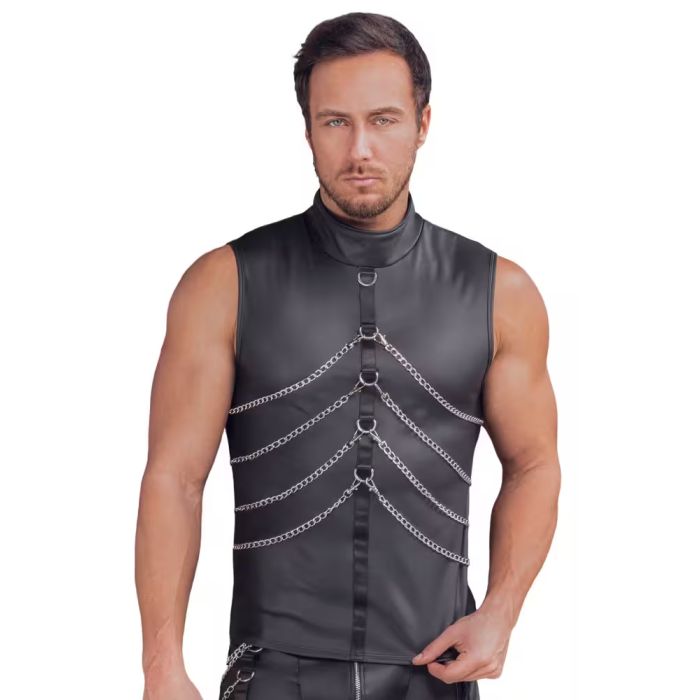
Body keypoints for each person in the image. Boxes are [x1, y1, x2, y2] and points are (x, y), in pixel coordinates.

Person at [135, 11, 561, 700]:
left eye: (384, 120)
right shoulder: (224, 284)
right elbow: (174, 478)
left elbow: (535, 463)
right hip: (274, 674)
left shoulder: (499, 293)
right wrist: (162, 666)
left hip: (433, 673)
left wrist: (502, 613)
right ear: (307, 129)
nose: (360, 149)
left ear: (423, 123)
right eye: (335, 122)